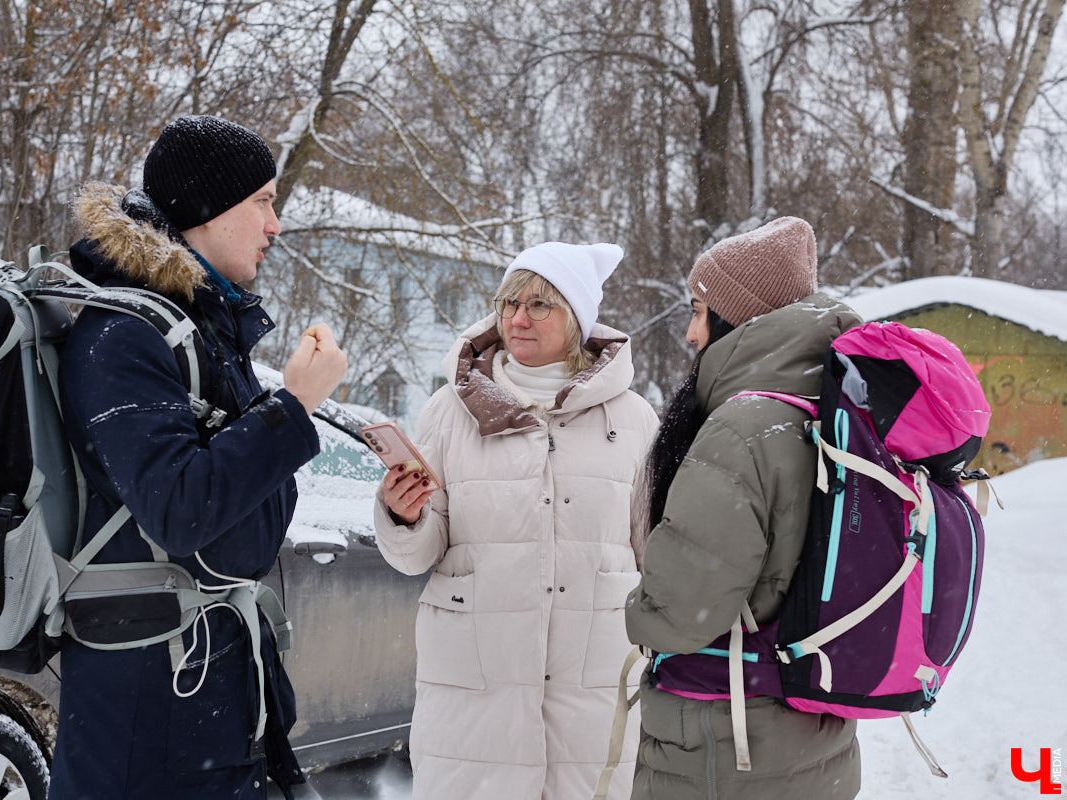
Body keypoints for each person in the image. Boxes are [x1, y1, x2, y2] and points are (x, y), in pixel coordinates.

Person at [49, 115, 347, 799]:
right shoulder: (121, 336)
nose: (276, 225)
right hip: (146, 716)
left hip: (203, 697)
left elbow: (252, 517)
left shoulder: (202, 332)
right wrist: (292, 407)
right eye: (263, 203)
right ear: (207, 210)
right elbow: (179, 509)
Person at [374, 242, 659, 799]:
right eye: (508, 303)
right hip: (475, 703)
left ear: (576, 318)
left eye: (538, 305)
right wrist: (402, 516)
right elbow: (415, 557)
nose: (517, 319)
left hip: (593, 699)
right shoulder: (450, 410)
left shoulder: (632, 419)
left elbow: (655, 555)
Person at [624, 217, 864, 799]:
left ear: (740, 318)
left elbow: (684, 612)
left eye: (699, 310)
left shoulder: (742, 430)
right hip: (816, 731)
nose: (689, 331)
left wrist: (636, 613)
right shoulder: (832, 414)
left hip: (725, 746)